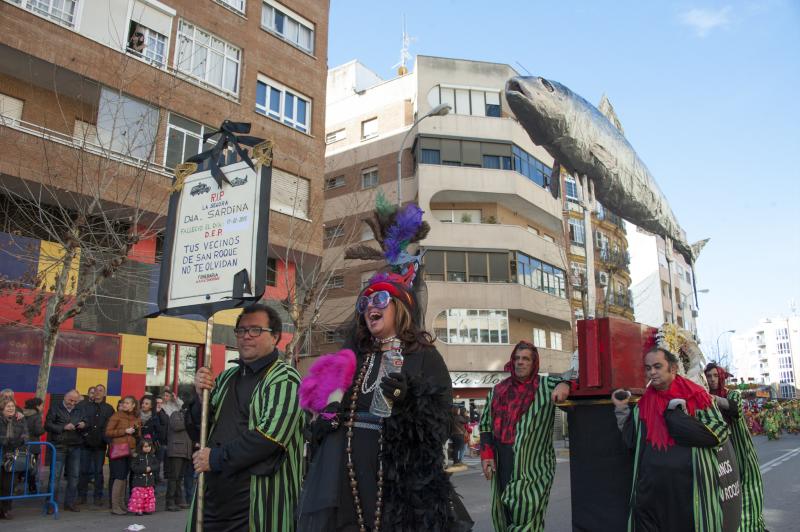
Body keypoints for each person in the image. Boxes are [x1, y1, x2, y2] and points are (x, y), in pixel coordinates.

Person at [189, 303, 304, 532]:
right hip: (213, 499)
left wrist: (215, 458)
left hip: (257, 502)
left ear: (275, 337)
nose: (246, 337)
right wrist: (200, 400)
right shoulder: (225, 377)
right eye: (241, 331)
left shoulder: (285, 378)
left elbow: (269, 440)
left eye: (255, 330)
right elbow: (199, 430)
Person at [612, 348, 730, 532]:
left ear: (673, 368)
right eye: (648, 368)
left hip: (689, 495)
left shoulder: (698, 396)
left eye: (658, 366)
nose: (652, 372)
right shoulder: (644, 404)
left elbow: (721, 432)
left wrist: (679, 421)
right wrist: (621, 409)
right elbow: (632, 440)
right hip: (651, 493)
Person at [478, 340, 571, 531]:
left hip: (534, 466)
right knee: (504, 514)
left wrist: (564, 384)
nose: (520, 362)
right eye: (517, 358)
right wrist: (486, 455)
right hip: (502, 461)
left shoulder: (546, 385)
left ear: (533, 362)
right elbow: (486, 424)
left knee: (528, 515)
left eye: (526, 359)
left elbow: (571, 381)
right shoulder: (498, 390)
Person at [705, 363, 765, 532]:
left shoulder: (733, 394)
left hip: (740, 449)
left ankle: (751, 526)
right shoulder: (702, 396)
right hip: (720, 451)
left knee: (748, 486)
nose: (712, 379)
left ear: (721, 377)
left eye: (715, 375)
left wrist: (714, 399)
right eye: (708, 376)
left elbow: (735, 409)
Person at [45, 389, 87, 512]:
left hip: (75, 445)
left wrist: (84, 424)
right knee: (55, 477)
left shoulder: (80, 409)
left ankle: (70, 503)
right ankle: (51, 504)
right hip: (59, 446)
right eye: (70, 400)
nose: (73, 403)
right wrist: (63, 427)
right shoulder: (55, 408)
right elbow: (47, 425)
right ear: (64, 397)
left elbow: (87, 422)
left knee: (74, 476)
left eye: (75, 401)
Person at [78, 383, 115, 506]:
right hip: (85, 444)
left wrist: (106, 440)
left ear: (104, 393)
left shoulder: (109, 409)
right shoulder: (85, 407)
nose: (98, 392)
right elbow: (79, 421)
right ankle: (81, 496)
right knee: (83, 471)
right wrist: (84, 434)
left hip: (100, 445)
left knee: (98, 472)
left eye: (101, 390)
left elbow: (111, 426)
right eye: (96, 390)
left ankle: (98, 497)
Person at [105, 395, 141, 515]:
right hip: (119, 449)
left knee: (124, 477)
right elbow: (108, 432)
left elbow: (138, 435)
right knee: (119, 477)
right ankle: (115, 506)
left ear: (133, 405)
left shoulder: (136, 417)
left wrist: (136, 432)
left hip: (131, 449)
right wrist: (124, 431)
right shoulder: (116, 415)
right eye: (124, 403)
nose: (125, 405)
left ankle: (121, 504)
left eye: (127, 403)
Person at [1, 397, 29, 519]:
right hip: (2, 455)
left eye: (12, 406)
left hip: (12, 457)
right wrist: (13, 441)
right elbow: (3, 440)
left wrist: (19, 440)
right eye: (8, 406)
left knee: (9, 485)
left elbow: (26, 436)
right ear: (2, 408)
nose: (11, 408)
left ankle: (6, 510)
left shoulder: (20, 419)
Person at [165, 399, 192, 511]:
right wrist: (189, 419)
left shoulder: (189, 418)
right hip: (176, 450)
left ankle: (178, 500)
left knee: (179, 478)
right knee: (173, 477)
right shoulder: (176, 414)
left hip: (185, 452)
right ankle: (170, 501)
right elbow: (176, 426)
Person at [128, 437, 160, 516]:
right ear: (141, 447)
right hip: (139, 481)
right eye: (145, 446)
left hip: (149, 481)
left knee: (149, 497)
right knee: (139, 497)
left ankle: (147, 509)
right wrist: (144, 469)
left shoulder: (152, 456)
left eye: (149, 446)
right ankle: (138, 509)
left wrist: (151, 468)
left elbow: (157, 465)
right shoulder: (137, 456)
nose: (147, 448)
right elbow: (133, 467)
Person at [22, 397, 45, 494]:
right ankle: (32, 487)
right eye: (42, 405)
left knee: (20, 465)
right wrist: (44, 429)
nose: (43, 407)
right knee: (32, 467)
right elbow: (38, 431)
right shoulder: (36, 416)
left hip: (22, 444)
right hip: (33, 445)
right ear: (37, 406)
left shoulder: (22, 414)